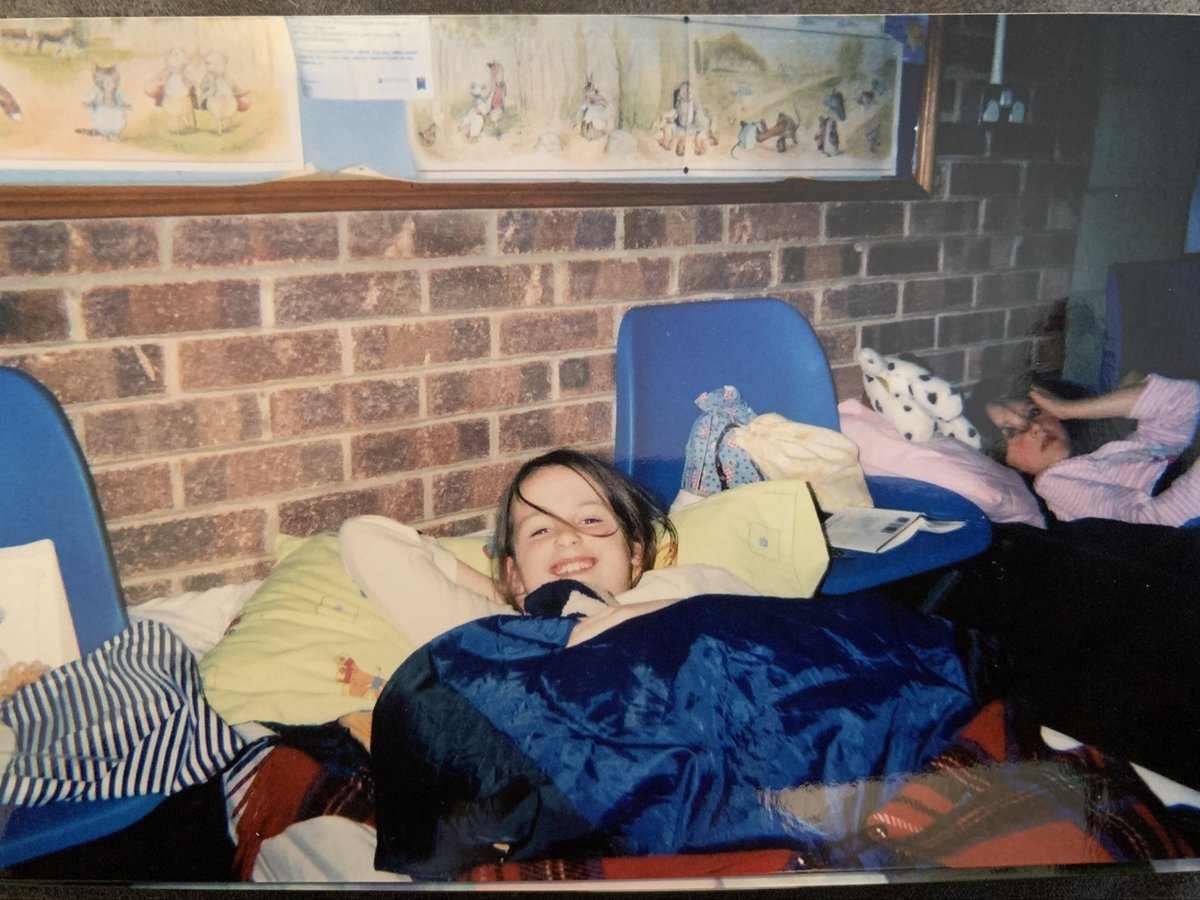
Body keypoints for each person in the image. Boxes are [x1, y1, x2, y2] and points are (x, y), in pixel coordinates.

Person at [337, 448, 756, 652]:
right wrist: (510, 594)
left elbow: (752, 614)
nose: (567, 536)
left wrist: (617, 618)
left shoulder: (680, 586)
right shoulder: (495, 629)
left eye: (590, 520)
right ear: (515, 571)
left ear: (633, 552)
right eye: (539, 531)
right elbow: (365, 538)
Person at [971, 373, 1200, 526]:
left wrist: (1069, 409)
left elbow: (1188, 401)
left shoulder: (1098, 460)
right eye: (1011, 432)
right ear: (1004, 462)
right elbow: (1155, 525)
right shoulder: (1054, 482)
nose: (1035, 428)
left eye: (1033, 413)